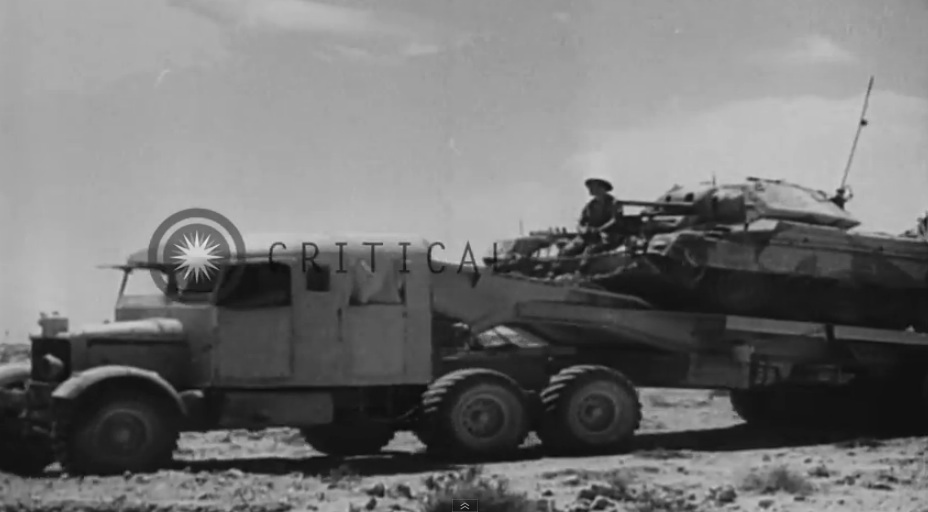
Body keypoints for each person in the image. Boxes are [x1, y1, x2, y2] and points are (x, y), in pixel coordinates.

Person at [560, 177, 625, 259]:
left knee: (590, 251)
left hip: (608, 236)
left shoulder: (614, 203)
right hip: (589, 236)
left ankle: (581, 269)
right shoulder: (590, 206)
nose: (590, 189)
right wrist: (582, 230)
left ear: (602, 188)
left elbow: (615, 220)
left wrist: (599, 229)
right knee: (566, 251)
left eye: (594, 186)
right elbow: (581, 222)